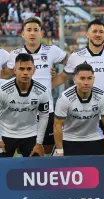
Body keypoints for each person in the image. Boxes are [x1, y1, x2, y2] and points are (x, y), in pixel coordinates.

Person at [52, 19, 104, 152]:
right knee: (78, 153)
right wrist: (43, 86)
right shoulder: (76, 56)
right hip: (80, 114)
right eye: (94, 31)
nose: (98, 34)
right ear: (87, 34)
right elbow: (62, 77)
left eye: (101, 32)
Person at [1, 17, 68, 155]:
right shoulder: (15, 54)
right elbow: (5, 74)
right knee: (24, 149)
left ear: (41, 33)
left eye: (36, 30)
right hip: (22, 109)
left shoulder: (52, 50)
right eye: (29, 30)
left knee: (46, 150)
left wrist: (52, 82)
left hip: (45, 108)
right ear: (23, 34)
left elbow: (73, 64)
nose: (32, 33)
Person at [53, 63, 104, 156]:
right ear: (74, 80)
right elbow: (57, 126)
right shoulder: (65, 98)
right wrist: (60, 151)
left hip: (95, 138)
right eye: (82, 78)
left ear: (94, 79)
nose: (86, 82)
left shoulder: (102, 96)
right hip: (69, 139)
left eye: (89, 78)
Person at [0, 53, 49, 157]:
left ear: (34, 70)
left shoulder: (42, 91)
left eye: (29, 69)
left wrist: (39, 142)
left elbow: (44, 116)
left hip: (30, 134)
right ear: (14, 70)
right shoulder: (3, 90)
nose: (25, 73)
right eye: (21, 69)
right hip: (6, 134)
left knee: (35, 169)